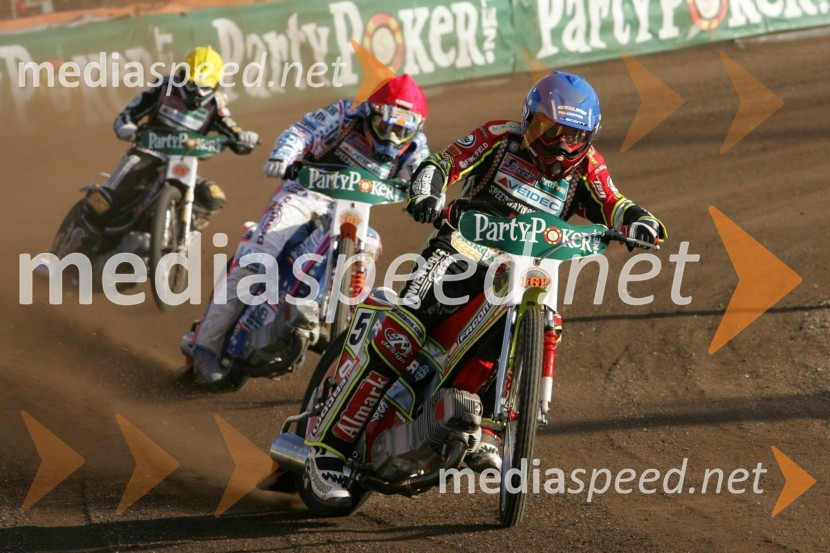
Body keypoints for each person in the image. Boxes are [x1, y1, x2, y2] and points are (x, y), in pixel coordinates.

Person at [302, 70, 668, 506]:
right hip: (460, 251)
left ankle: (487, 425)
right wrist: (428, 193)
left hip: (527, 268)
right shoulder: (499, 137)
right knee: (402, 336)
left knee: (525, 330)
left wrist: (640, 221)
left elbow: (614, 203)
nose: (557, 146)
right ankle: (328, 451)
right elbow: (442, 163)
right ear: (527, 119)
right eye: (547, 130)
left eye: (571, 136)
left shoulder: (590, 165)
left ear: (588, 136)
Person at [190, 73, 431, 384]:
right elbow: (303, 131)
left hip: (353, 207)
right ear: (370, 113)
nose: (391, 138)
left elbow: (424, 174)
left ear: (415, 128)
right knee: (257, 258)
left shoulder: (416, 146)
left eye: (401, 130)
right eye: (384, 127)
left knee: (371, 243)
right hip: (305, 193)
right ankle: (205, 346)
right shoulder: (346, 113)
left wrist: (427, 195)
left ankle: (341, 318)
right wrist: (283, 156)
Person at [69, 46, 259, 256]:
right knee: (106, 200)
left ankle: (183, 235)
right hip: (146, 154)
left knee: (213, 196)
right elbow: (127, 115)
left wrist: (244, 137)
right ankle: (71, 245)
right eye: (192, 82)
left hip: (184, 163)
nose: (196, 91)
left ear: (215, 84)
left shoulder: (216, 105)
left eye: (203, 85)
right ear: (183, 74)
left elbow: (232, 130)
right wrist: (127, 127)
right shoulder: (163, 88)